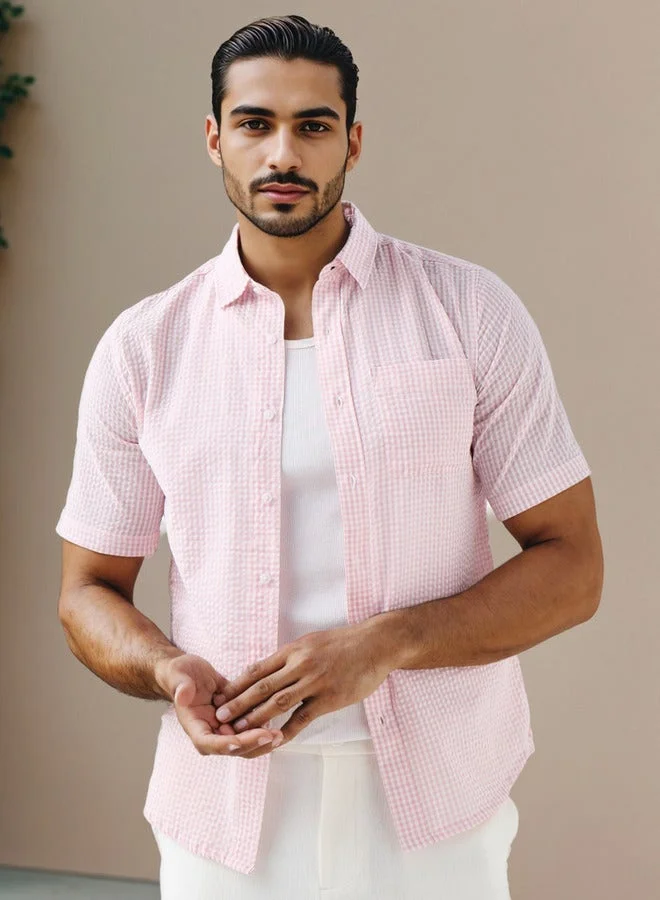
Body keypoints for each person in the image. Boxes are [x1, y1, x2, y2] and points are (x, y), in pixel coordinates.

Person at [55, 14, 604, 900]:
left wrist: (386, 644)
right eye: (255, 123)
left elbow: (574, 566)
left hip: (438, 802)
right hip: (225, 815)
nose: (284, 153)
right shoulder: (144, 349)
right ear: (215, 139)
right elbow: (86, 589)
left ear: (352, 140)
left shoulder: (468, 312)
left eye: (313, 125)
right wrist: (164, 665)